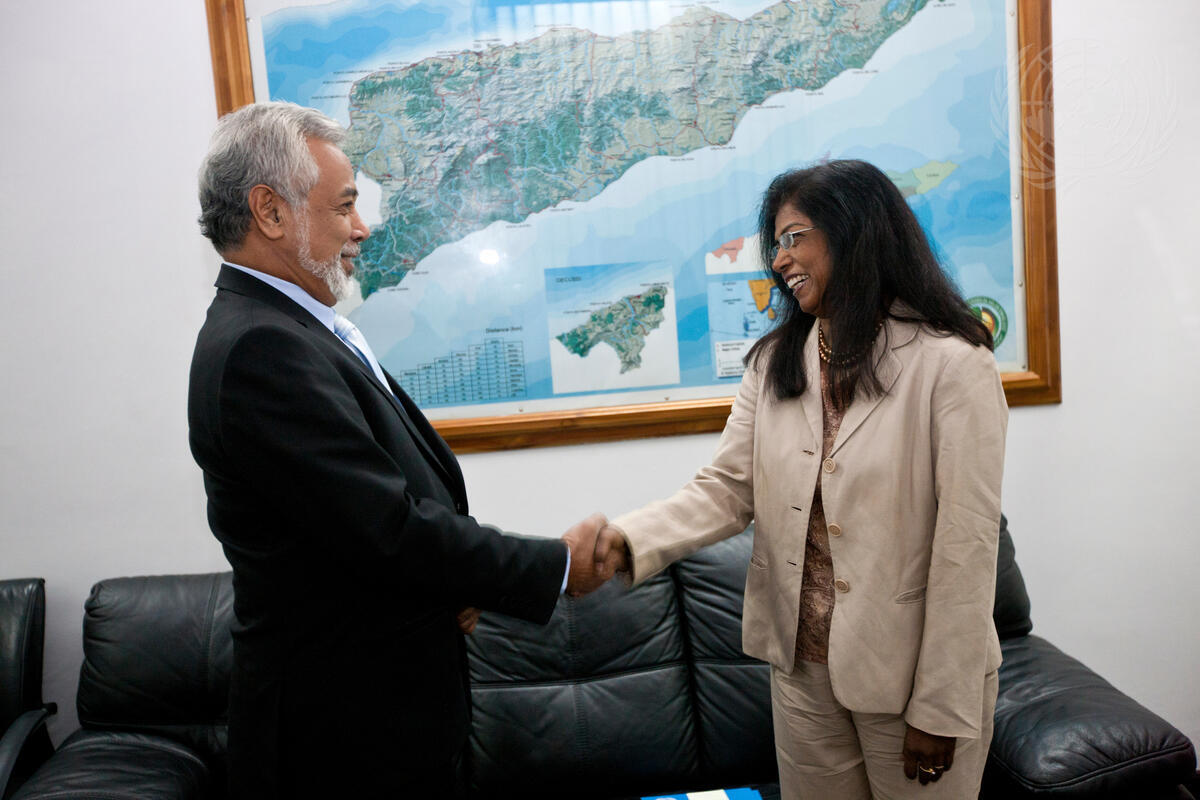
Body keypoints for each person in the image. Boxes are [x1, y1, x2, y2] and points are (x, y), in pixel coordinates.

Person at [188, 102, 608, 798]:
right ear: (270, 211)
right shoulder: (262, 347)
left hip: (383, 721)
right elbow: (387, 530)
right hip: (342, 742)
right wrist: (558, 564)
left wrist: (452, 585)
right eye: (344, 205)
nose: (362, 227)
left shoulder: (292, 328)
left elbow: (353, 525)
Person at [593, 160, 1008, 798]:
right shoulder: (774, 362)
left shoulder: (952, 363)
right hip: (801, 672)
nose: (780, 259)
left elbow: (967, 543)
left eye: (794, 237)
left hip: (909, 676)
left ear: (855, 233)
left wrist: (941, 705)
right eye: (776, 244)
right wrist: (626, 540)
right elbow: (726, 489)